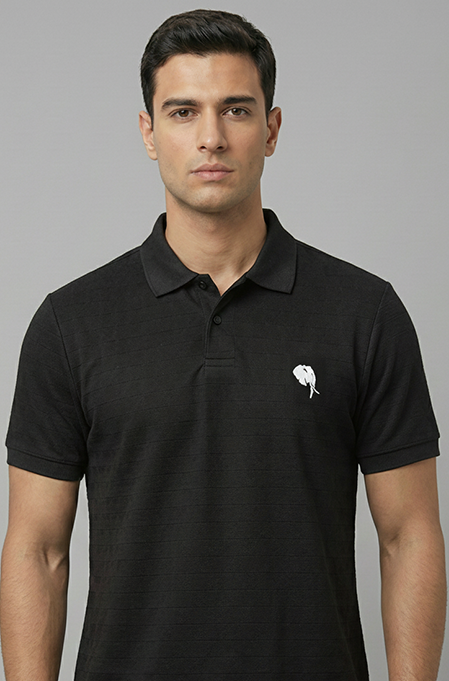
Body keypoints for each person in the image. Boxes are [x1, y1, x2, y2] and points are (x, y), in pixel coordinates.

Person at [0, 8, 446, 681]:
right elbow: (38, 550)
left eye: (236, 110)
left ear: (271, 129)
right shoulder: (71, 323)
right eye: (182, 112)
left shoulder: (364, 313)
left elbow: (408, 536)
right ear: (148, 133)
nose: (210, 137)